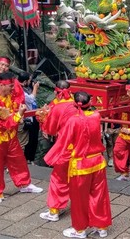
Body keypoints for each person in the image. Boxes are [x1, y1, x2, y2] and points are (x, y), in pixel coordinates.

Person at [44, 91, 112, 239]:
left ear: (75, 104)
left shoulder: (73, 121)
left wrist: (51, 157)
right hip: (98, 162)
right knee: (99, 195)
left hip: (81, 165)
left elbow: (63, 142)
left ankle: (80, 230)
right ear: (90, 103)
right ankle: (102, 227)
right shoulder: (96, 116)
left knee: (79, 199)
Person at [0, 72, 43, 204]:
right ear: (2, 85)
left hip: (10, 136)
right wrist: (19, 115)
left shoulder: (9, 97)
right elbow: (5, 122)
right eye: (11, 85)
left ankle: (24, 184)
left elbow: (14, 114)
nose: (13, 88)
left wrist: (19, 114)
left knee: (18, 160)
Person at [39, 81, 79, 222]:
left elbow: (50, 129)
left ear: (56, 93)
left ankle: (54, 210)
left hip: (65, 146)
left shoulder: (57, 108)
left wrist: (43, 119)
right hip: (80, 147)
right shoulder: (78, 103)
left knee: (58, 178)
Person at [17, 72, 40, 163]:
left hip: (26, 116)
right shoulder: (20, 89)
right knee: (22, 142)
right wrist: (35, 88)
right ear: (25, 81)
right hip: (23, 118)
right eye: (29, 80)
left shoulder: (20, 87)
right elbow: (30, 99)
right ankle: (21, 161)